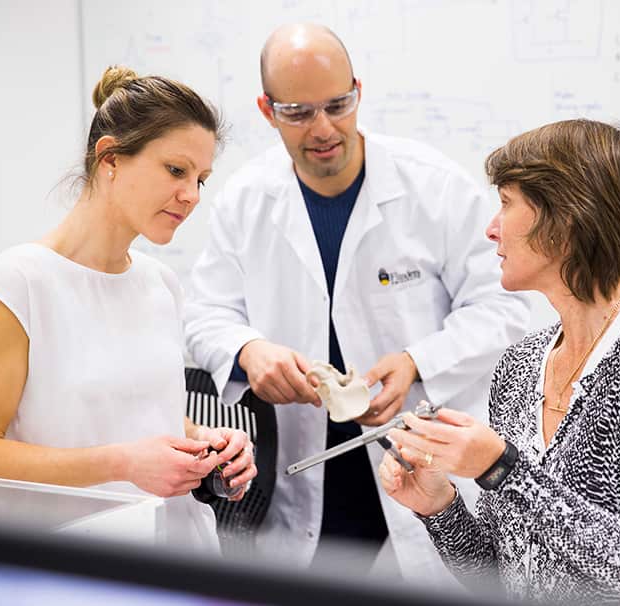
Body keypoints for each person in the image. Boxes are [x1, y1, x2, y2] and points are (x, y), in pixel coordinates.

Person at [182, 23, 529, 579]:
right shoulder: (245, 202)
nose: (323, 128)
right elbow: (205, 314)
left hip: (426, 471)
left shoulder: (433, 188)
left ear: (358, 92)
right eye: (298, 112)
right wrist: (248, 350)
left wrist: (417, 362)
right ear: (267, 110)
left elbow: (505, 309)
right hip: (303, 477)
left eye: (337, 105)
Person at [0, 66, 257, 552]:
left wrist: (207, 443)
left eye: (201, 179)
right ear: (109, 157)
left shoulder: (161, 283)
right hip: (75, 563)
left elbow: (139, 414)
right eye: (176, 171)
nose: (192, 195)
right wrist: (122, 464)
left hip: (180, 553)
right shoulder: (15, 286)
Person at [379, 119, 620, 603]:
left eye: (506, 203)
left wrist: (502, 469)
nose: (491, 229)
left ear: (565, 219)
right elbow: (499, 574)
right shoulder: (520, 366)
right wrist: (439, 506)